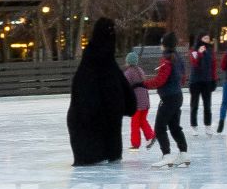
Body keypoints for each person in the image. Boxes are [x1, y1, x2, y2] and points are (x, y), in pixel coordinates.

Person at [66, 17, 131, 165]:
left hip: (99, 109)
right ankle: (108, 153)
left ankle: (107, 153)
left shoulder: (95, 57)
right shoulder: (97, 57)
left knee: (109, 127)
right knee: (108, 128)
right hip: (96, 110)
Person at [141, 33, 190, 167]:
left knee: (159, 127)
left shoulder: (167, 59)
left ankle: (167, 155)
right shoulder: (178, 58)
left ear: (165, 45)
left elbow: (160, 80)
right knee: (174, 126)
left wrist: (144, 84)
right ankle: (184, 154)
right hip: (177, 96)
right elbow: (183, 77)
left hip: (168, 98)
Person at [123, 52, 153, 150]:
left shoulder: (128, 72)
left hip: (137, 102)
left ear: (128, 62)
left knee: (135, 123)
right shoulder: (140, 70)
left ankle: (135, 144)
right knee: (142, 120)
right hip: (145, 100)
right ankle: (151, 136)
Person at [187, 35, 216, 128]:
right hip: (195, 81)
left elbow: (213, 66)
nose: (207, 41)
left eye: (208, 38)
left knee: (207, 105)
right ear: (200, 39)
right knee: (194, 105)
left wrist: (214, 79)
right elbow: (194, 63)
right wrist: (199, 53)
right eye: (205, 38)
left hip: (207, 81)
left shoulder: (210, 51)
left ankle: (208, 125)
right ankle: (193, 125)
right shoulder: (194, 51)